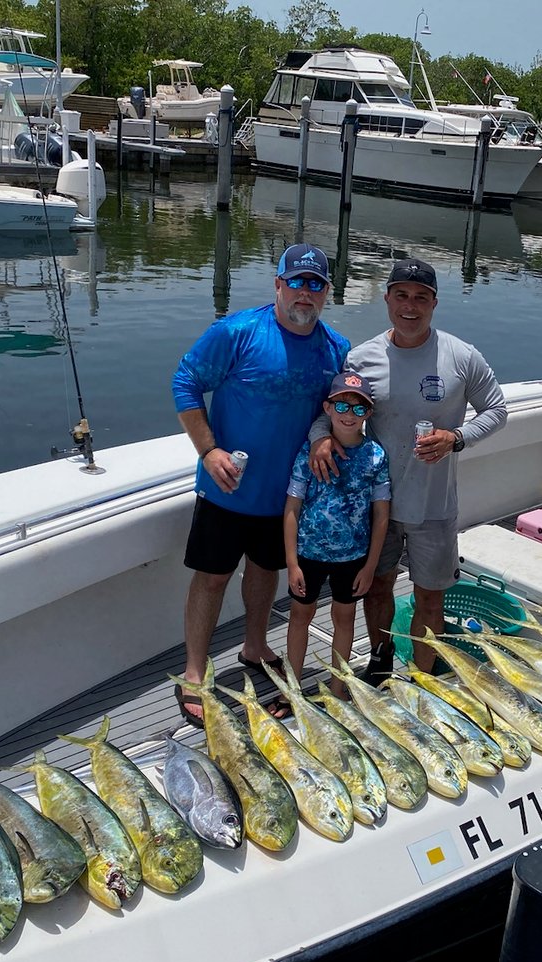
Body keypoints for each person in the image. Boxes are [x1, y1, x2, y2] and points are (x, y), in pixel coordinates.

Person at [171, 243, 349, 726]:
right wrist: (209, 451)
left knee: (265, 570)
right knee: (211, 578)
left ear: (327, 292)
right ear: (278, 285)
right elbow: (185, 382)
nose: (305, 293)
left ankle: (254, 645)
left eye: (316, 284)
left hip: (288, 496)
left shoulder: (337, 348)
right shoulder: (236, 332)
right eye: (297, 281)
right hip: (227, 486)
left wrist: (324, 439)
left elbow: (337, 411)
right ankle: (193, 672)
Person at [309, 257, 507, 678]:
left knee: (429, 597)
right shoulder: (361, 358)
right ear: (387, 299)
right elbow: (332, 410)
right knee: (377, 586)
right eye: (401, 295)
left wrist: (456, 438)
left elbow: (497, 410)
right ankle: (380, 663)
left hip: (433, 504)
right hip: (373, 505)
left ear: (434, 303)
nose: (410, 306)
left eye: (421, 297)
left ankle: (423, 673)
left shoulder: (462, 356)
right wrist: (319, 438)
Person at [282, 372, 390, 710]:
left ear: (368, 415)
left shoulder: (376, 456)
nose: (348, 415)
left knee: (345, 619)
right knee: (301, 616)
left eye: (358, 410)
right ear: (327, 408)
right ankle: (291, 688)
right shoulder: (308, 452)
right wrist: (292, 562)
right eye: (341, 405)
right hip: (308, 555)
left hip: (353, 557)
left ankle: (339, 689)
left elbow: (382, 515)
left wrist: (371, 565)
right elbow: (292, 507)